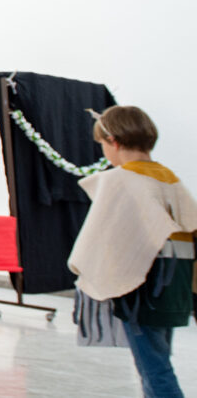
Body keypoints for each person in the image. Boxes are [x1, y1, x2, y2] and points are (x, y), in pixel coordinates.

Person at [68, 105, 197, 398]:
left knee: (154, 369)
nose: (104, 152)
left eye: (102, 145)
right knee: (157, 360)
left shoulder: (119, 180)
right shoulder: (168, 177)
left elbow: (98, 239)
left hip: (141, 289)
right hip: (175, 284)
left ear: (113, 141)